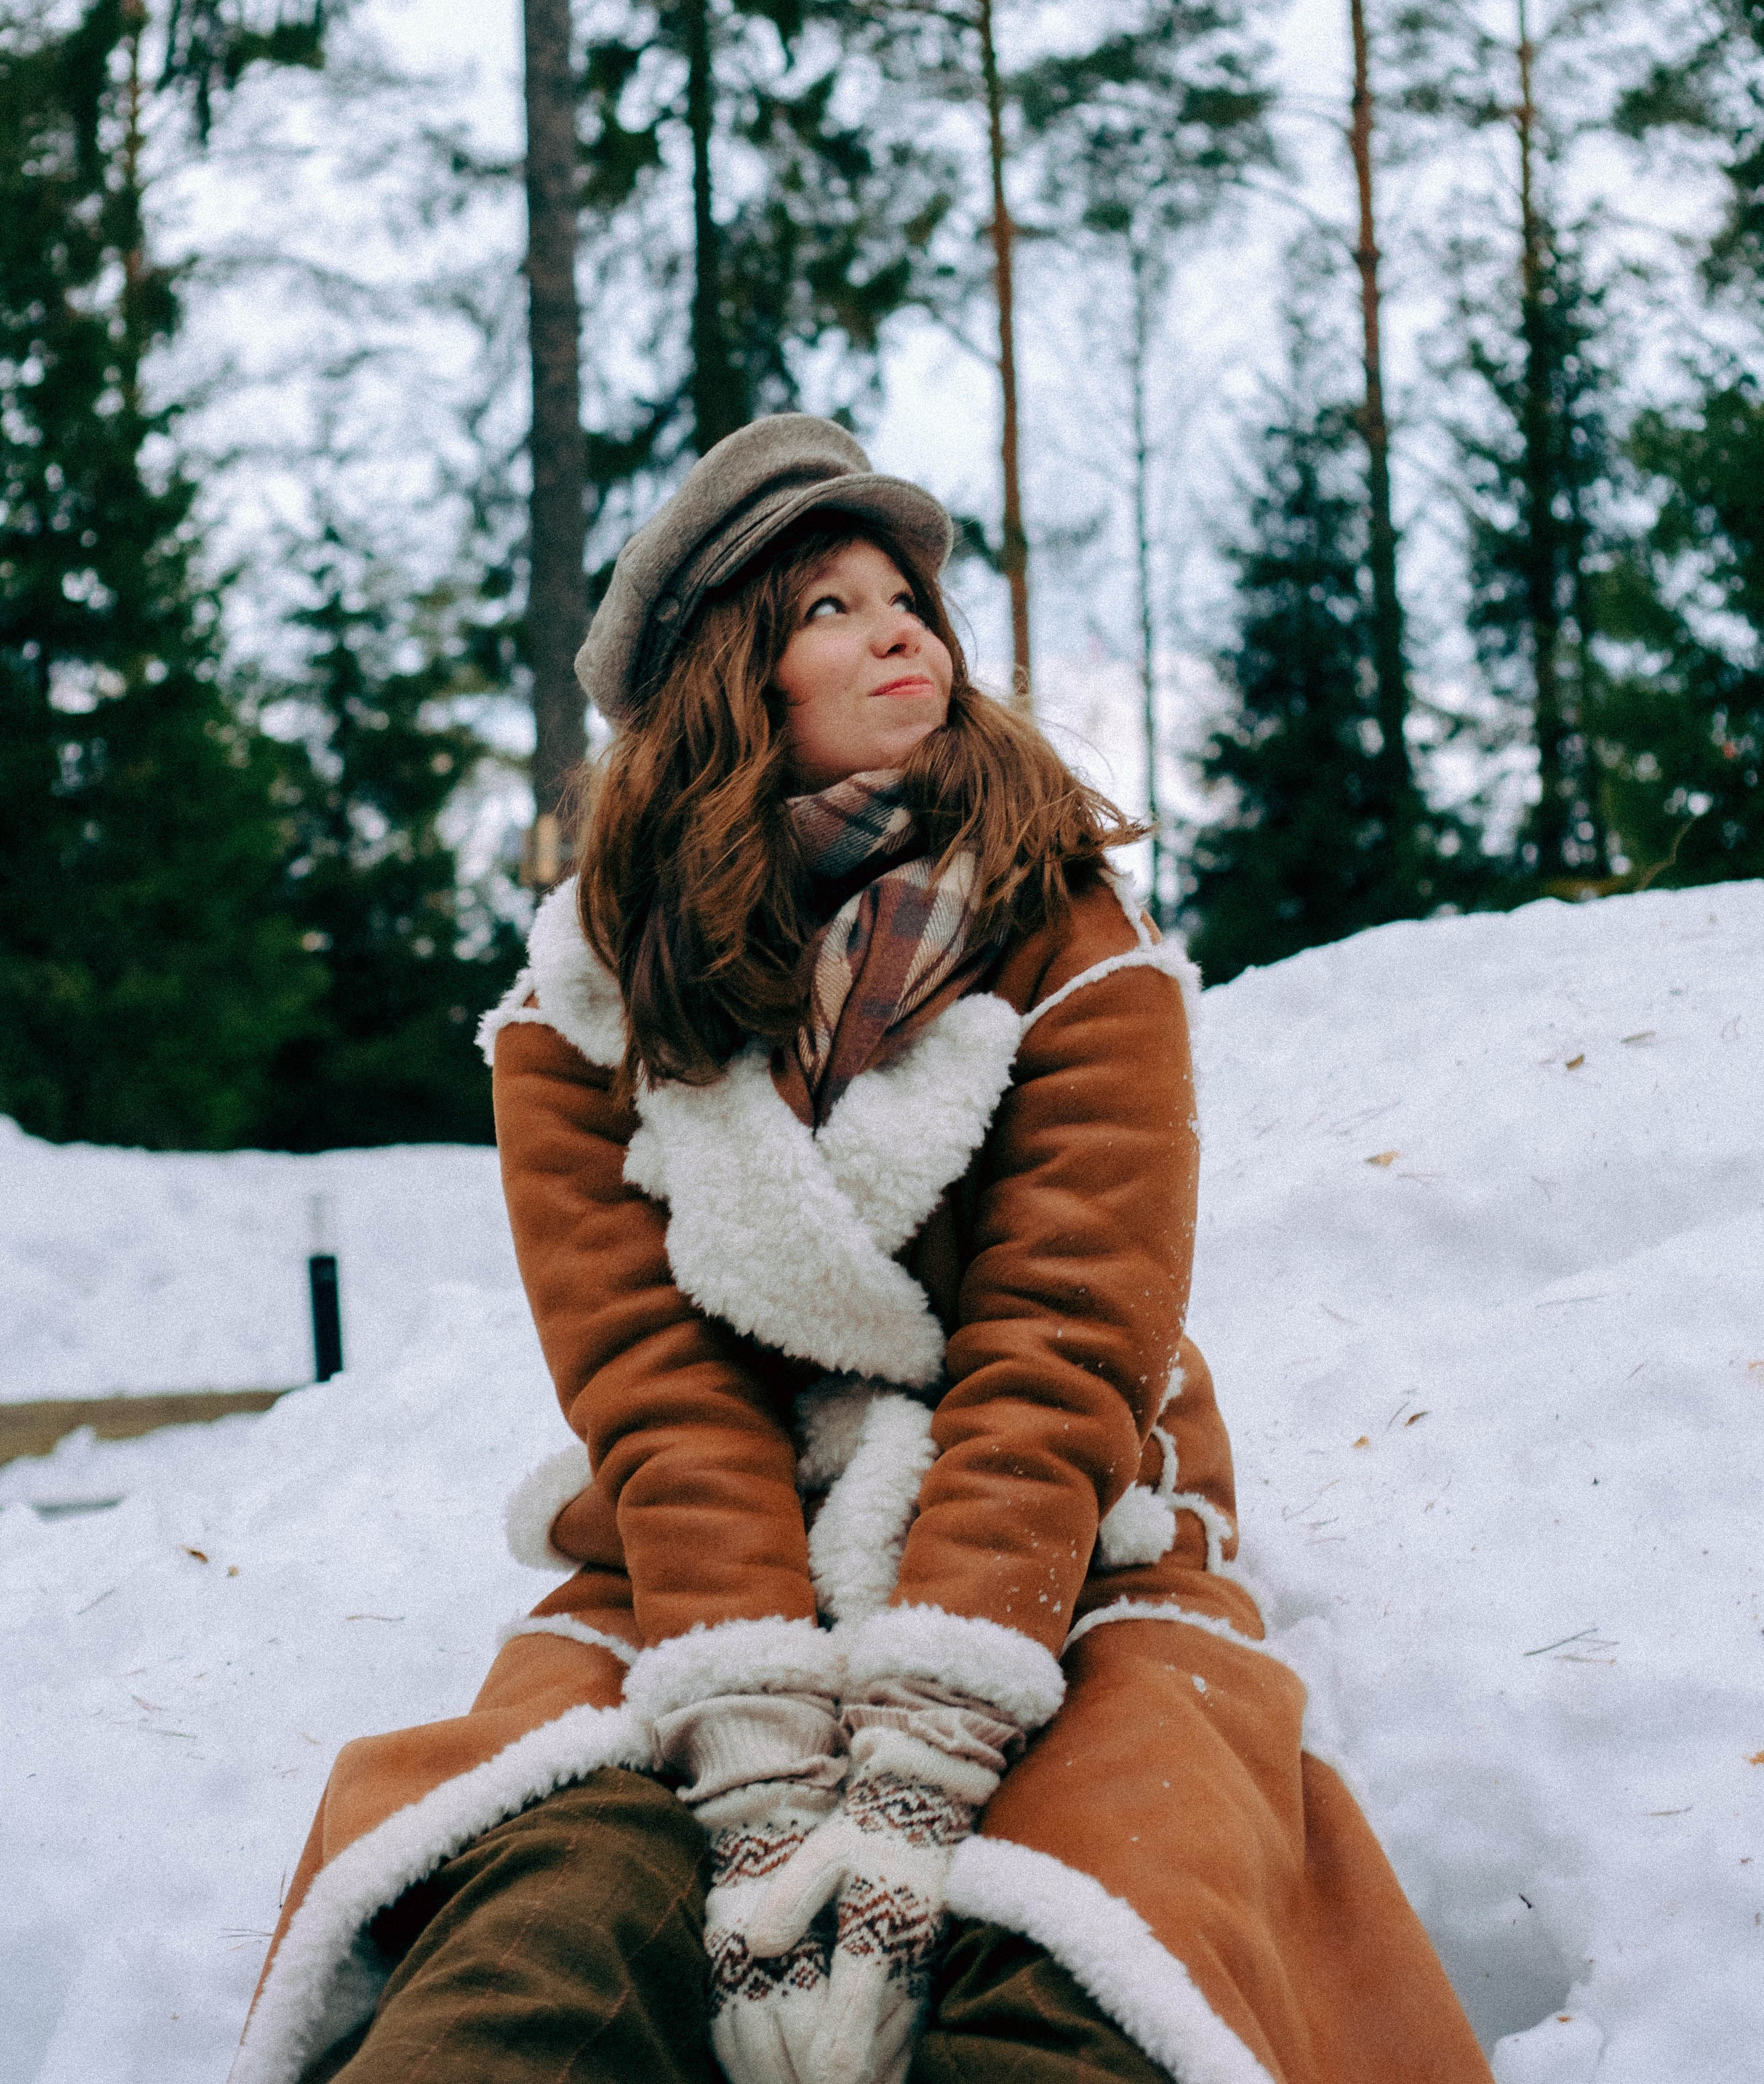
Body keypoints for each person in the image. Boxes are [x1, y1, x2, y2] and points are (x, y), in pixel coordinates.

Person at [232, 416, 1492, 2084]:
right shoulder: (581, 1012)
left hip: (1052, 1530)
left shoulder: (1068, 935)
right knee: (547, 1907)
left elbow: (1063, 1344)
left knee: (1100, 1915)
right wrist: (756, 1763)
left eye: (905, 594)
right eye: (827, 605)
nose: (901, 625)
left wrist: (917, 1760)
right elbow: (652, 1383)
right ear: (727, 679)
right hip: (706, 1550)